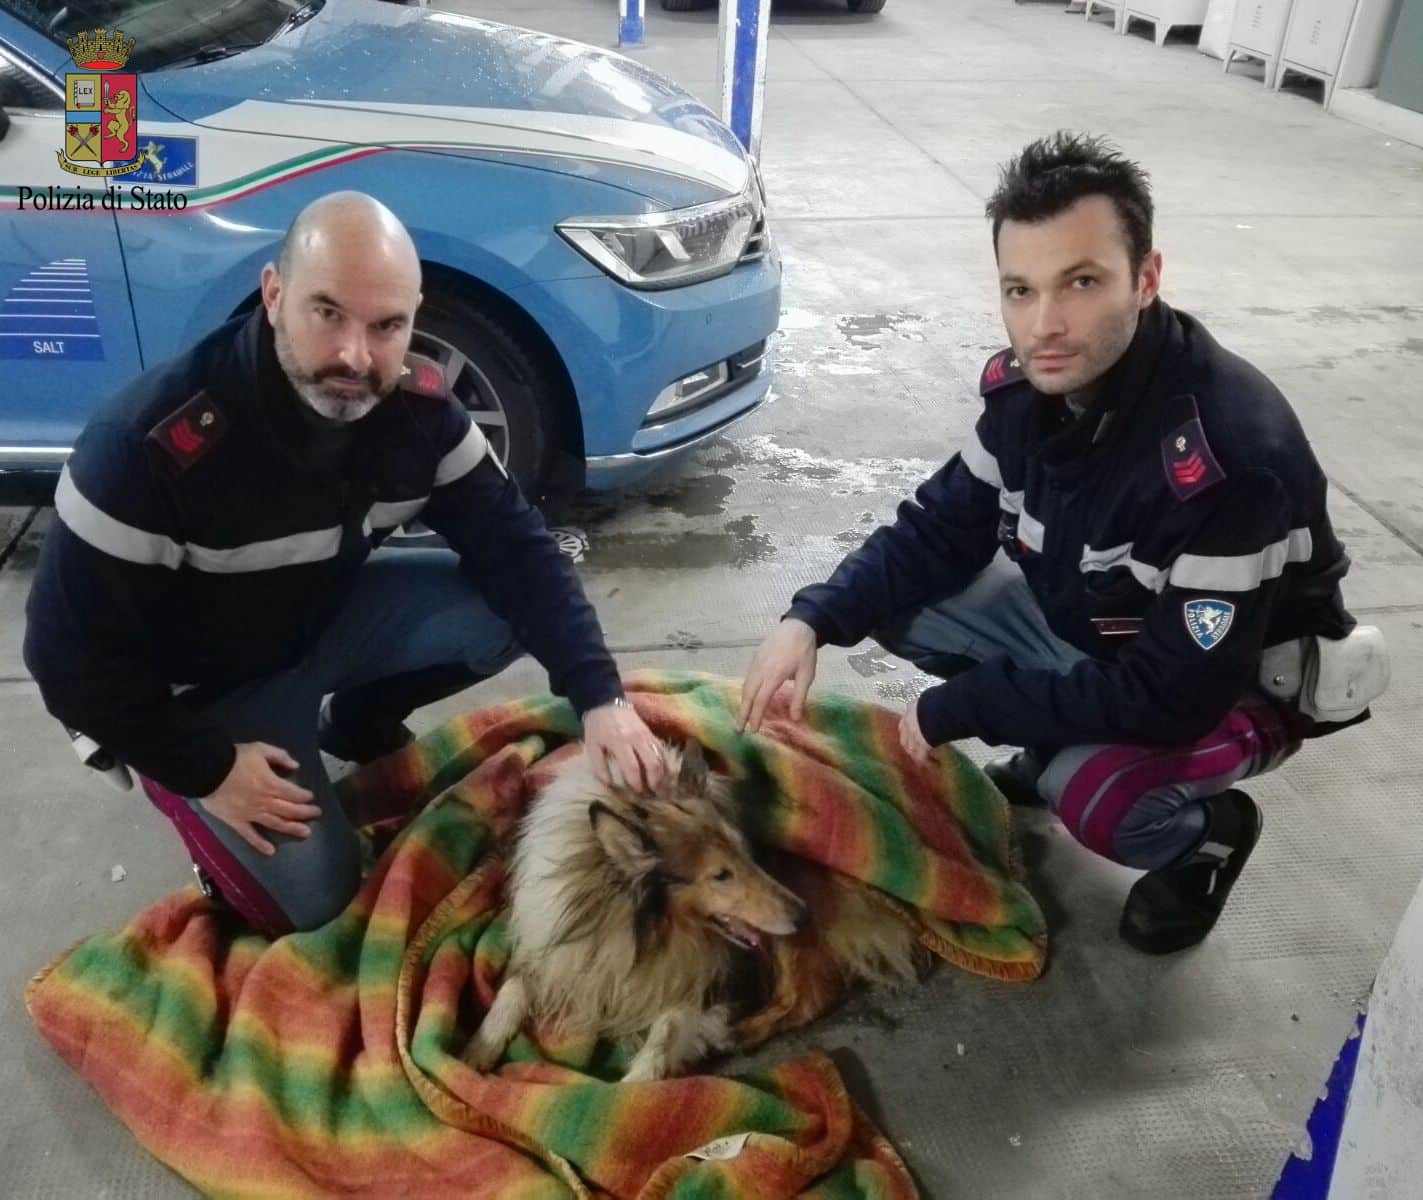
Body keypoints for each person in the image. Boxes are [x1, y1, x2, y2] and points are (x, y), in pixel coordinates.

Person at [739, 132, 1381, 955]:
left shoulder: (1225, 457)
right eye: (1019, 289)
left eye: (1080, 283)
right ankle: (1054, 740)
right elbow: (939, 528)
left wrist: (970, 705)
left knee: (1096, 797)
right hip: (1104, 639)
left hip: (1234, 686)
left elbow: (1171, 697)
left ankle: (1204, 835)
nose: (1043, 325)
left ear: (1145, 279)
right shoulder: (1027, 392)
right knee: (900, 600)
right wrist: (811, 621)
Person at [24, 191, 665, 936]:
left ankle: (354, 725)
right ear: (273, 294)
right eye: (327, 313)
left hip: (317, 624)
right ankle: (184, 794)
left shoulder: (421, 414)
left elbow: (517, 551)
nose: (356, 357)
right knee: (319, 905)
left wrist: (601, 699)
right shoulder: (150, 449)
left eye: (387, 325)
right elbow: (63, 659)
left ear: (414, 318)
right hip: (202, 692)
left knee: (501, 610)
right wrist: (207, 768)